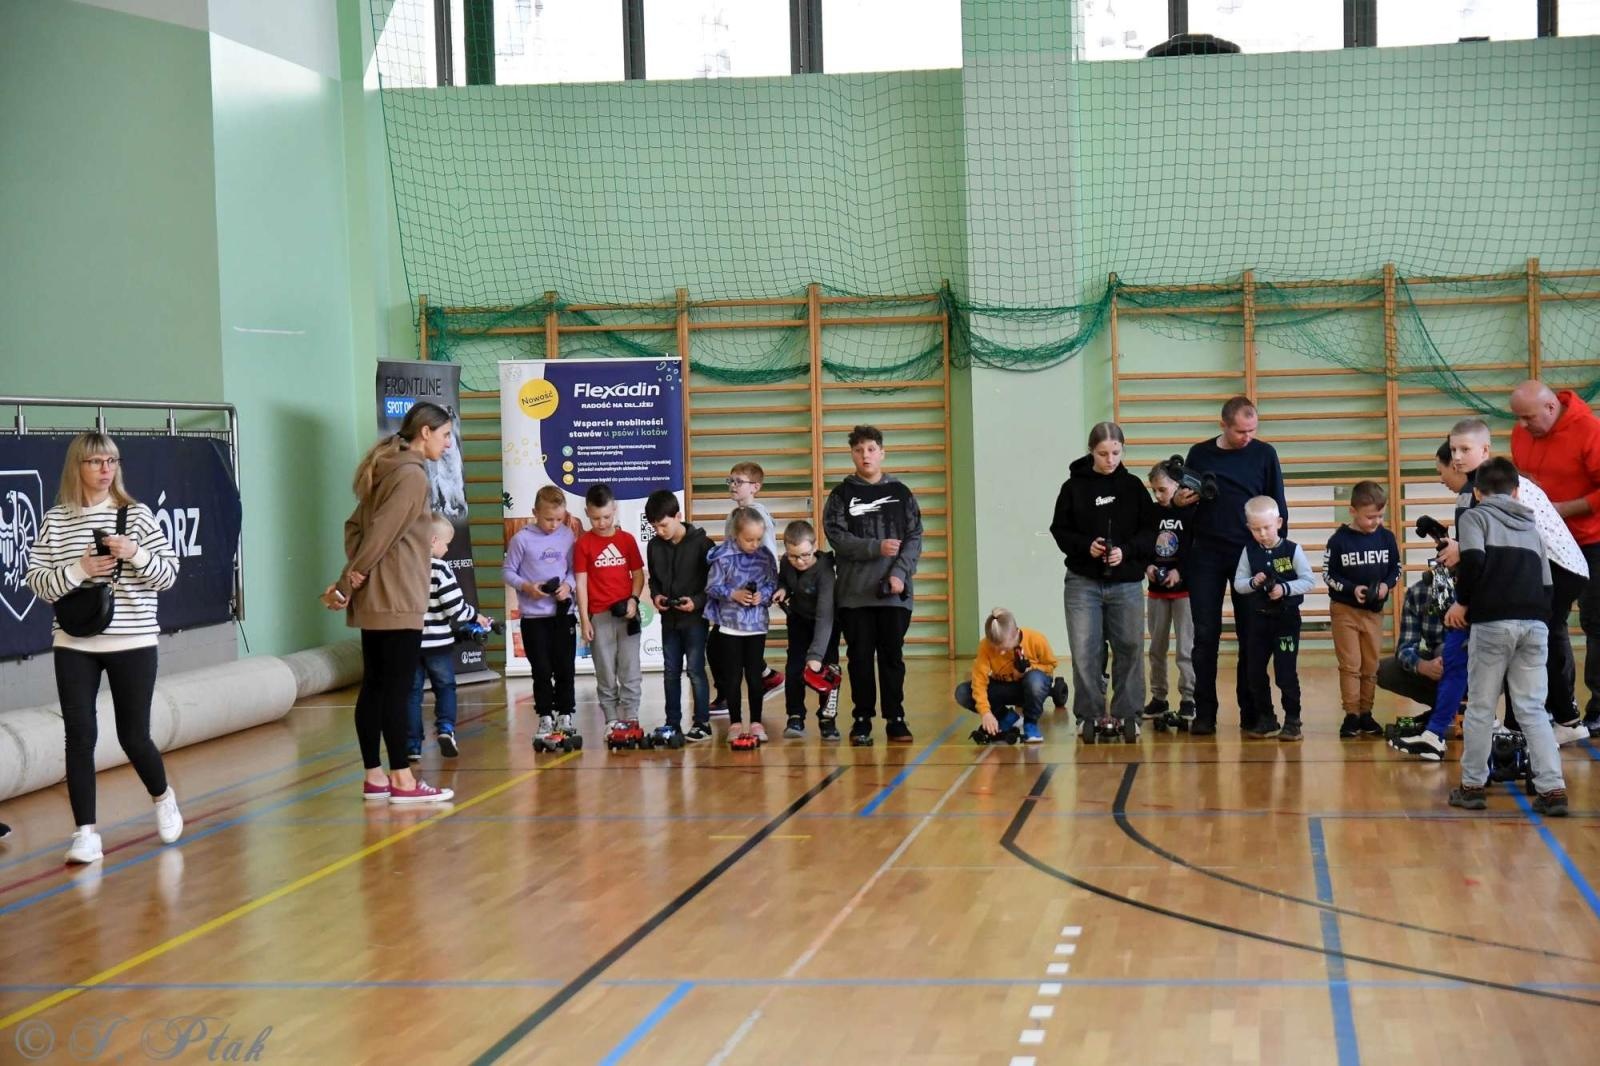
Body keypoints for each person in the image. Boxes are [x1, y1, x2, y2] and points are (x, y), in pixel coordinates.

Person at [24, 431, 184, 862]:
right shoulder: (56, 520)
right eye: (95, 462)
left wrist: (135, 553)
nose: (105, 470)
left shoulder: (137, 515)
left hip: (134, 640)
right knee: (79, 736)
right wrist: (79, 569)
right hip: (74, 641)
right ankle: (85, 833)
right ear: (76, 467)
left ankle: (163, 797)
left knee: (133, 736)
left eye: (111, 461)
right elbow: (38, 582)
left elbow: (168, 576)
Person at [322, 402, 454, 805]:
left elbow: (355, 527)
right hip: (397, 596)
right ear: (426, 432)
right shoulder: (412, 475)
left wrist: (357, 574)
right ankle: (403, 780)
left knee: (376, 687)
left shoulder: (385, 468)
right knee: (396, 689)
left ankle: (375, 777)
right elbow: (380, 533)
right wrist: (350, 578)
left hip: (377, 597)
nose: (448, 444)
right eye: (445, 435)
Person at [1445, 456, 1567, 816]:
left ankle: (1472, 786)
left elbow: (1473, 563)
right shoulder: (1532, 529)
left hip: (1493, 622)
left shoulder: (1475, 517)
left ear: (1477, 492)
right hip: (1535, 624)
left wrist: (1462, 603)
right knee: (1533, 709)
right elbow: (1548, 586)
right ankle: (1553, 789)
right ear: (1516, 492)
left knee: (1481, 708)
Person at [1174, 397, 1287, 736]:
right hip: (1206, 555)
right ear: (1223, 425)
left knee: (1251, 635)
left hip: (1249, 556)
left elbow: (1278, 508)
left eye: (1252, 430)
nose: (1247, 437)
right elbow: (1186, 505)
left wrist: (1275, 556)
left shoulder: (1264, 454)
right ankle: (1204, 713)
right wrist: (1179, 502)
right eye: (1240, 431)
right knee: (1205, 636)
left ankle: (1252, 712)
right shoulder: (1200, 454)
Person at [1050, 422, 1155, 731]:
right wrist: (1087, 546)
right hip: (1083, 583)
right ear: (1091, 452)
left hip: (1126, 583)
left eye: (1116, 453)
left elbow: (1149, 532)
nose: (1110, 460)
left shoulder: (1133, 487)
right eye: (1103, 454)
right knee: (1085, 651)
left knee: (1130, 648)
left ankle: (1128, 714)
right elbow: (1060, 530)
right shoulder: (1073, 488)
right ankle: (1089, 716)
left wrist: (1125, 551)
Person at [824, 425, 923, 746]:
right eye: (858, 450)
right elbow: (837, 538)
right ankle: (862, 719)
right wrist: (875, 547)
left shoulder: (902, 493)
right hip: (854, 595)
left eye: (870, 449)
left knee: (892, 657)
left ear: (882, 453)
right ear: (852, 454)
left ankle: (896, 718)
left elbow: (914, 537)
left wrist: (900, 574)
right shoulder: (840, 495)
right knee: (860, 659)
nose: (865, 455)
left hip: (894, 595)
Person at [1509, 379, 1600, 729]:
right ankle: (1560, 707)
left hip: (1592, 540)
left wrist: (1562, 509)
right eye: (1518, 418)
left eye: (1528, 417)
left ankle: (1599, 708)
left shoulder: (1589, 431)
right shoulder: (1522, 433)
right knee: (1546, 622)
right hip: (1546, 544)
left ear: (1550, 407)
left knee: (1595, 621)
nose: (1521, 425)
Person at [407, 514, 491, 760]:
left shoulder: (406, 567)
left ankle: (412, 745)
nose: (447, 549)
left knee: (412, 693)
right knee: (445, 687)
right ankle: (445, 728)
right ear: (434, 541)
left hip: (410, 642)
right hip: (438, 644)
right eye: (446, 544)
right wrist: (475, 616)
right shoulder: (441, 569)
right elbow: (455, 607)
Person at [1231, 496, 1314, 741]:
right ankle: (1267, 718)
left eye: (1267, 527)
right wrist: (1252, 582)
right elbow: (1238, 584)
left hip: (1286, 621)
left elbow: (1308, 581)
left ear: (1278, 523)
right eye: (1256, 529)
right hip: (1258, 622)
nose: (1262, 534)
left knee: (1285, 673)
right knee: (1255, 672)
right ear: (1249, 528)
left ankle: (1293, 720)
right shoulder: (1248, 551)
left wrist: (1285, 589)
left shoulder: (1292, 550)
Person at [1322, 480, 1399, 739]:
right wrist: (1351, 589)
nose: (1376, 521)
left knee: (1370, 664)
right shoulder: (1339, 541)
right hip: (1345, 611)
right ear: (1352, 511)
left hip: (1373, 613)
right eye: (1370, 517)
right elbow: (1328, 574)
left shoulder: (1386, 538)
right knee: (1351, 664)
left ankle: (1366, 712)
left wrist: (1386, 586)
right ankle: (1351, 714)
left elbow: (1396, 569)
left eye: (1380, 515)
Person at [504, 486, 578, 740]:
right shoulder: (521, 539)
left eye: (559, 519)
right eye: (548, 519)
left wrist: (568, 586)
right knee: (542, 670)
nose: (554, 525)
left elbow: (573, 569)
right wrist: (527, 587)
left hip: (563, 615)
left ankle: (566, 714)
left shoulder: (567, 535)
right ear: (535, 512)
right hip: (534, 618)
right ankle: (545, 715)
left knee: (565, 667)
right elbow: (508, 571)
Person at [708, 462, 783, 713]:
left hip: (750, 595)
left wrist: (765, 591)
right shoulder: (733, 516)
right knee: (723, 646)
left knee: (723, 646)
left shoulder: (759, 517)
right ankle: (767, 676)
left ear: (755, 487)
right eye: (730, 480)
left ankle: (732, 695)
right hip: (731, 595)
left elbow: (768, 556)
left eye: (739, 481)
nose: (733, 485)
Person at [574, 482, 646, 739]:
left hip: (626, 614)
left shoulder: (626, 540)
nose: (602, 523)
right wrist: (585, 620)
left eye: (606, 516)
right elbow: (581, 583)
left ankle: (631, 717)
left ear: (614, 509)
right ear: (587, 512)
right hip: (599, 616)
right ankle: (611, 719)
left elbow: (638, 575)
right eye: (595, 518)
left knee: (630, 669)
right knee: (605, 671)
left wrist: (633, 600)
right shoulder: (583, 544)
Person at [705, 507, 779, 746]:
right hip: (730, 625)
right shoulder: (723, 556)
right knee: (732, 676)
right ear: (736, 535)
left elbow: (772, 584)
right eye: (749, 539)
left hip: (756, 625)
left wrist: (762, 596)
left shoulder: (765, 556)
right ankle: (735, 723)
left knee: (755, 676)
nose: (754, 544)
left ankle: (756, 721)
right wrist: (733, 594)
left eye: (758, 539)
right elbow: (711, 587)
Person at [646, 489, 714, 744]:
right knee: (670, 671)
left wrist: (696, 602)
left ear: (678, 516)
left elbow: (714, 585)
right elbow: (654, 579)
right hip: (669, 620)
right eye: (654, 527)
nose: (659, 531)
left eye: (663, 525)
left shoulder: (703, 545)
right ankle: (672, 722)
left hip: (695, 620)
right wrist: (656, 596)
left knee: (695, 670)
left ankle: (702, 722)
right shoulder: (654, 545)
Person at [773, 520, 841, 741]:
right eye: (793, 556)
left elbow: (824, 616)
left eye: (805, 555)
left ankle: (828, 719)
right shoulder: (787, 562)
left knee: (828, 672)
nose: (799, 561)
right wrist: (783, 589)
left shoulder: (825, 573)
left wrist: (815, 656)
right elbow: (784, 579)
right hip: (799, 620)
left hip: (826, 624)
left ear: (814, 546)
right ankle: (795, 716)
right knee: (794, 669)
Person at [956, 608, 1060, 744]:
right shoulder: (985, 646)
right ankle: (1007, 717)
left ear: (1016, 633)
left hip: (1031, 688)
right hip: (1005, 687)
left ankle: (1030, 723)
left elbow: (1051, 665)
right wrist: (986, 712)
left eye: (1005, 648)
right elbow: (979, 681)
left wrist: (1030, 669)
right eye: (996, 648)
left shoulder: (1036, 639)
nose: (1001, 653)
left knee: (1035, 681)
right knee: (963, 692)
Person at [1143, 462, 1196, 722]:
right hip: (1157, 592)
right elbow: (1142, 544)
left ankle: (1189, 698)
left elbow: (1196, 548)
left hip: (1185, 592)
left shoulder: (1191, 513)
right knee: (1156, 648)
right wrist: (1148, 566)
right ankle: (1159, 697)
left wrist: (1181, 571)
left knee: (1186, 649)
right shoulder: (1151, 514)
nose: (1158, 495)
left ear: (1177, 485)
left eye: (1163, 489)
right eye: (1154, 490)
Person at [1376, 567, 1447, 710]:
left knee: (1446, 651)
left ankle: (1476, 708)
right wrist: (1423, 666)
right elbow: (1405, 648)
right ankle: (1442, 708)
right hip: (1437, 661)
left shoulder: (1481, 588)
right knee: (1383, 670)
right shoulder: (1418, 591)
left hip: (1475, 664)